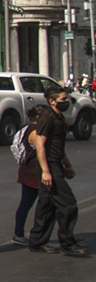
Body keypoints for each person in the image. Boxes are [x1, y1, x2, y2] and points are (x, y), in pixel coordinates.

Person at [27, 86, 88, 256]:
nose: (66, 102)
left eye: (66, 99)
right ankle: (68, 244)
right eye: (62, 100)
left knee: (47, 205)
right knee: (68, 204)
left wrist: (67, 164)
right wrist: (46, 170)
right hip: (50, 166)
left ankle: (37, 241)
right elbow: (40, 145)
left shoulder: (58, 117)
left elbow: (58, 146)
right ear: (52, 101)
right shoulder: (47, 118)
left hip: (56, 163)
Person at [11, 105, 47, 246]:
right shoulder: (34, 132)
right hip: (33, 173)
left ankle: (20, 233)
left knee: (27, 204)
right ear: (38, 118)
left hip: (31, 172)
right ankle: (20, 234)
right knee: (29, 204)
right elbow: (41, 150)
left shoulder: (31, 129)